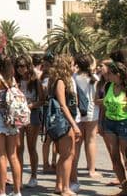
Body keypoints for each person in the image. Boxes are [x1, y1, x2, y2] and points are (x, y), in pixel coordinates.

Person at [0, 53, 24, 196]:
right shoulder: (11, 79)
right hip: (12, 119)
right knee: (13, 156)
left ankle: (2, 192)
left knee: (0, 157)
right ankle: (17, 191)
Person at [48, 55, 81, 196]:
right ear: (66, 65)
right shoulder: (61, 82)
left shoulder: (59, 81)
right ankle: (66, 188)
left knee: (64, 155)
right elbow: (63, 105)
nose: (74, 67)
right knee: (68, 155)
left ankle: (59, 185)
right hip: (64, 122)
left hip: (63, 122)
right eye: (72, 64)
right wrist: (74, 125)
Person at [15, 54, 42, 189]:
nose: (20, 69)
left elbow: (42, 99)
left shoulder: (35, 80)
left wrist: (31, 106)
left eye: (22, 66)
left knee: (32, 147)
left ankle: (34, 175)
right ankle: (18, 177)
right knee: (19, 148)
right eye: (18, 66)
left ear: (28, 66)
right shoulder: (15, 80)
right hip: (18, 116)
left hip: (32, 115)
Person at [100, 60, 127, 194]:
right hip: (109, 123)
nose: (107, 75)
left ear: (119, 74)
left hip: (124, 123)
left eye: (110, 74)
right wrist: (101, 123)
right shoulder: (108, 86)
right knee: (115, 157)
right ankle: (124, 188)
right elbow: (104, 105)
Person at [73, 54, 100, 185]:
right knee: (91, 140)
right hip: (92, 111)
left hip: (78, 112)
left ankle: (74, 168)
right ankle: (91, 169)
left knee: (77, 142)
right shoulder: (94, 78)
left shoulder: (74, 77)